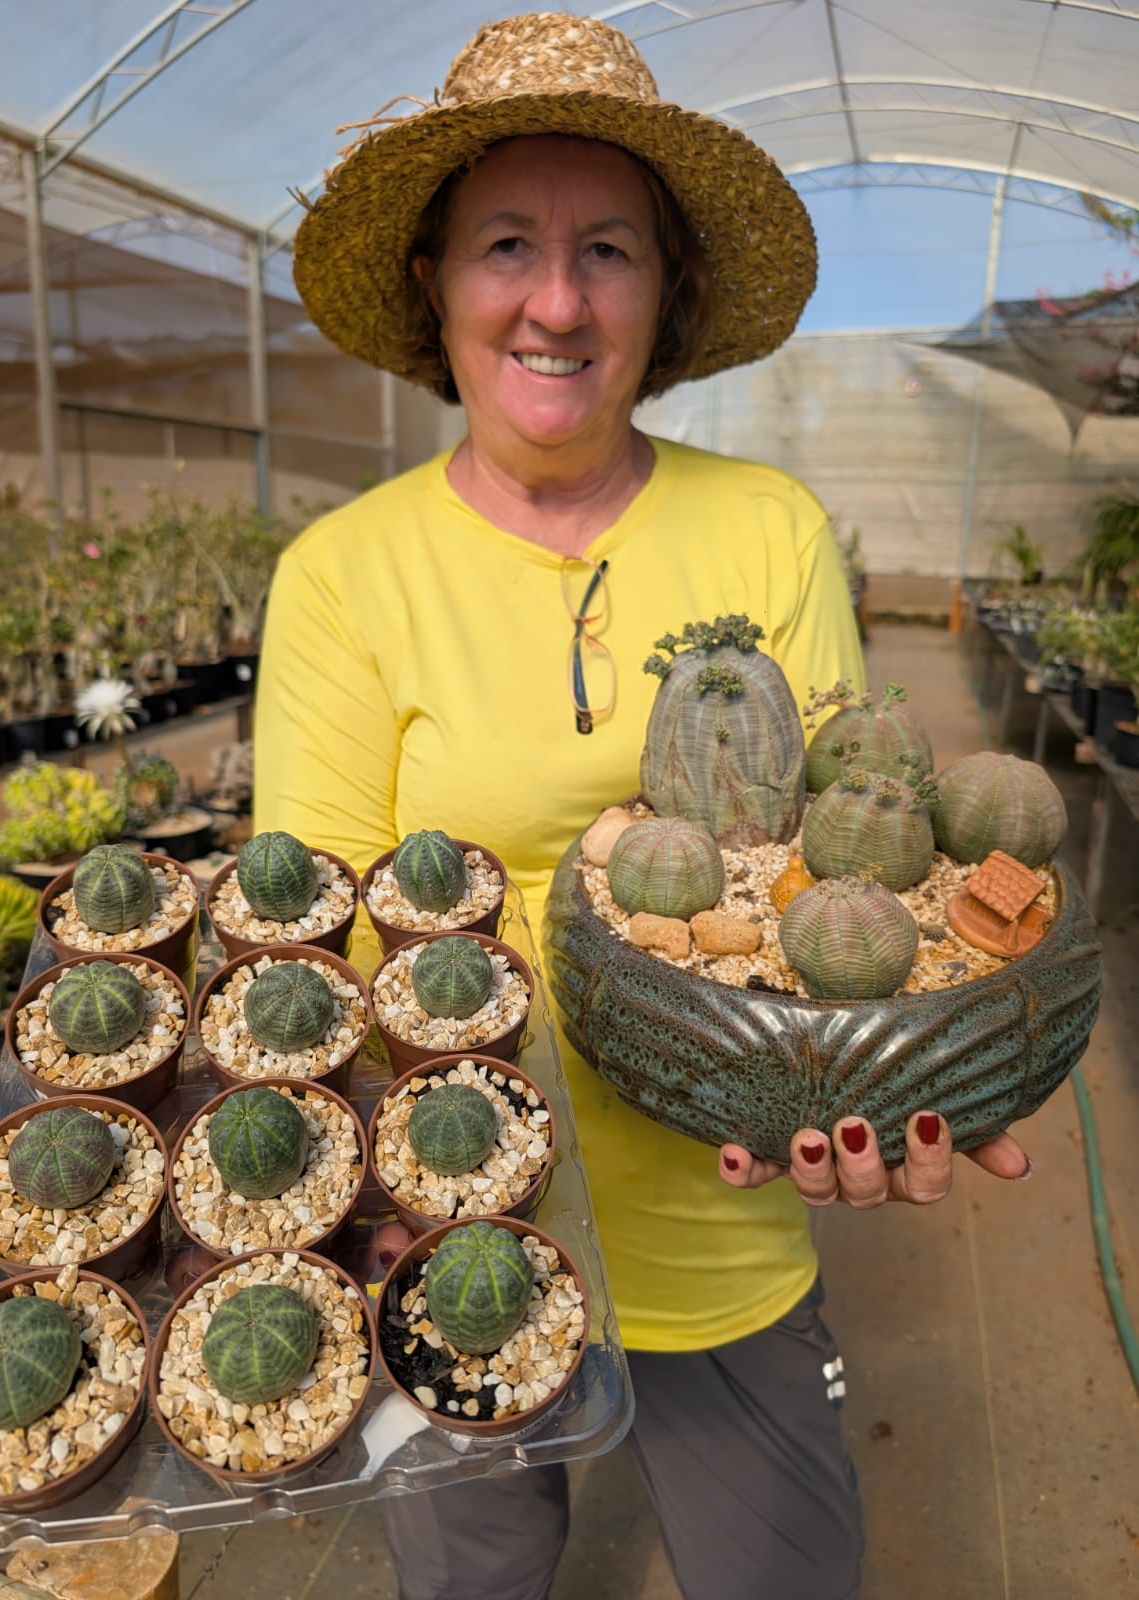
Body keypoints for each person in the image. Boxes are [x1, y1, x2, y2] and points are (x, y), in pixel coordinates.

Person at [255, 15, 1031, 1598]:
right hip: (453, 1222)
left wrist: (890, 1059)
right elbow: (317, 939)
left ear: (664, 290)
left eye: (607, 248)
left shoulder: (767, 526)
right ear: (435, 281)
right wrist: (347, 1200)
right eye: (507, 246)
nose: (556, 299)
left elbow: (841, 857)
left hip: (727, 1222)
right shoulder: (346, 573)